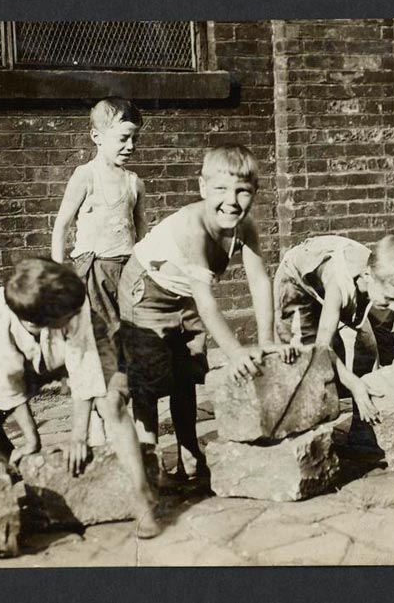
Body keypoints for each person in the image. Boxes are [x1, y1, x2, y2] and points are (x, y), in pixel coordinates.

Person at [118, 144, 293, 487]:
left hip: (185, 296)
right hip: (147, 293)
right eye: (220, 190)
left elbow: (259, 280)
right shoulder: (195, 229)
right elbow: (207, 302)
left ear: (255, 192)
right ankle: (149, 464)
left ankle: (189, 451)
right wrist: (235, 352)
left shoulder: (245, 228)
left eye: (243, 191)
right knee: (149, 378)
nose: (232, 200)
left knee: (187, 371)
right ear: (201, 188)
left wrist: (267, 340)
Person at [0, 258, 160, 538]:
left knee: (111, 404)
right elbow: (8, 377)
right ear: (44, 321)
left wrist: (79, 436)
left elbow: (82, 367)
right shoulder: (2, 311)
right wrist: (31, 440)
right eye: (67, 316)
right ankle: (15, 467)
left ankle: (142, 495)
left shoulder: (71, 299)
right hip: (31, 360)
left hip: (87, 349)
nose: (75, 314)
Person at [51, 98, 147, 410]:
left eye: (135, 138)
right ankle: (94, 415)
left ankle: (120, 406)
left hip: (127, 271)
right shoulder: (86, 176)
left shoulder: (134, 182)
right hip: (92, 271)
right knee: (94, 341)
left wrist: (144, 268)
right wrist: (58, 275)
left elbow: (140, 233)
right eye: (123, 138)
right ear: (97, 137)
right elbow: (62, 226)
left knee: (126, 338)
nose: (130, 145)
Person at [273, 234, 394, 424]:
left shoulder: (391, 282)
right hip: (298, 285)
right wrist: (355, 385)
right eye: (390, 300)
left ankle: (362, 430)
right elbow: (323, 347)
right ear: (368, 276)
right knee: (306, 363)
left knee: (367, 349)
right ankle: (297, 426)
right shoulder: (339, 285)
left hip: (340, 290)